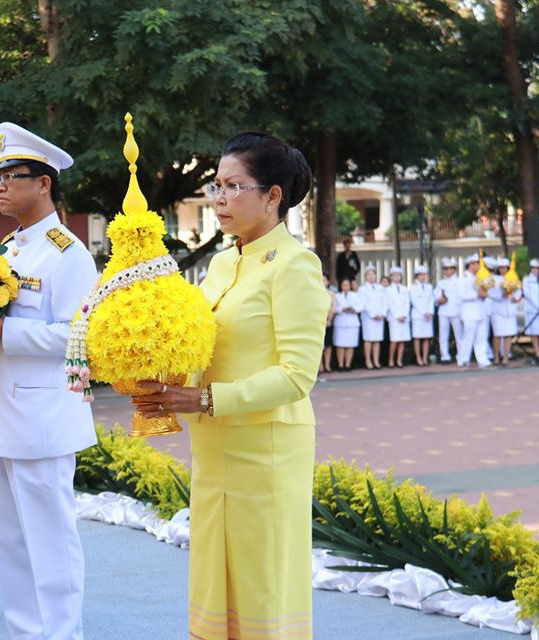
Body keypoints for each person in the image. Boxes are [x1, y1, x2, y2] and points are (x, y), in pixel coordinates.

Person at [134, 131, 328, 640]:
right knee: (213, 581)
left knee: (262, 583)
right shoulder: (222, 263)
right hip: (215, 448)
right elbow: (205, 344)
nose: (218, 199)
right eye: (216, 187)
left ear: (272, 196)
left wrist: (203, 399)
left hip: (265, 451)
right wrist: (162, 373)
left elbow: (296, 375)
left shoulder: (295, 266)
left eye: (234, 186)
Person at [0, 123, 97, 640]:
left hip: (43, 420)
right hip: (2, 416)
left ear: (44, 183)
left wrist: (3, 331)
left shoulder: (68, 253)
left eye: (11, 175)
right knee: (12, 545)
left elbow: (77, 337)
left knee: (51, 544)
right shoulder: (8, 249)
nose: (0, 185)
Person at [457, 254, 492, 369]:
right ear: (470, 265)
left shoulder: (480, 278)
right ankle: (463, 359)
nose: (478, 266)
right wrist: (476, 294)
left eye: (478, 263)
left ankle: (483, 360)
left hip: (480, 311)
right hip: (469, 312)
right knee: (468, 337)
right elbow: (461, 295)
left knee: (481, 337)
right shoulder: (463, 279)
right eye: (476, 264)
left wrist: (484, 295)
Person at [490, 257, 521, 365]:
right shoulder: (494, 279)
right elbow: (491, 293)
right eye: (501, 267)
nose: (503, 269)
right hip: (498, 310)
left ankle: (506, 357)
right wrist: (501, 295)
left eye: (505, 267)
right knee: (498, 335)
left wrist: (514, 298)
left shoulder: (513, 277)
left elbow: (518, 291)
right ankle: (496, 358)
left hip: (510, 310)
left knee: (508, 335)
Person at [358, 265, 386, 369]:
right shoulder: (362, 289)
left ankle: (376, 361)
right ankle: (368, 361)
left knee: (377, 340)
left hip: (379, 317)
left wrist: (382, 314)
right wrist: (373, 315)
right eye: (369, 274)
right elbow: (363, 304)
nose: (371, 276)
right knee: (368, 340)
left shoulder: (380, 288)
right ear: (365, 276)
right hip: (368, 318)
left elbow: (385, 302)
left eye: (373, 274)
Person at [435, 257, 462, 364]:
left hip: (456, 311)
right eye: (445, 269)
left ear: (454, 269)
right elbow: (436, 295)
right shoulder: (440, 282)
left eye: (450, 268)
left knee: (459, 335)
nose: (447, 271)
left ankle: (461, 355)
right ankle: (445, 356)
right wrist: (439, 300)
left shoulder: (460, 281)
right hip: (444, 311)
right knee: (443, 335)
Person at [333, 278, 362, 370]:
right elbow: (334, 307)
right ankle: (341, 365)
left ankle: (348, 364)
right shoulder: (337, 296)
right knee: (340, 345)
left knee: (350, 344)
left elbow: (361, 306)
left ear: (350, 286)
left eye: (347, 285)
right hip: (340, 322)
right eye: (344, 285)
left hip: (352, 322)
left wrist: (354, 309)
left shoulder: (355, 295)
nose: (345, 287)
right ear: (341, 286)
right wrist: (342, 309)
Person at [409, 264, 434, 367]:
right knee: (417, 338)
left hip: (428, 316)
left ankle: (425, 358)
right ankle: (418, 358)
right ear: (416, 276)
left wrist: (430, 312)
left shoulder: (429, 286)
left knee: (426, 338)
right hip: (418, 315)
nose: (423, 277)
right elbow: (415, 302)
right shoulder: (413, 288)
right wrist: (424, 312)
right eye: (420, 275)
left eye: (424, 274)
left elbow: (431, 300)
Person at [386, 266, 411, 368]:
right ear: (391, 277)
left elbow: (407, 303)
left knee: (402, 340)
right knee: (394, 340)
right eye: (394, 275)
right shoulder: (387, 290)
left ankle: (399, 360)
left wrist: (404, 314)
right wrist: (397, 316)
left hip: (404, 318)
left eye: (398, 275)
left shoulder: (404, 289)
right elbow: (389, 304)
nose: (397, 277)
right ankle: (391, 360)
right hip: (394, 318)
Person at [321, 273, 337, 373]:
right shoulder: (314, 292)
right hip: (318, 323)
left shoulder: (331, 293)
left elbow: (333, 307)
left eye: (324, 280)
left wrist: (329, 320)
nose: (322, 282)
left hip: (329, 322)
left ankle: (327, 365)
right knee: (319, 345)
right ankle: (320, 366)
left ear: (328, 282)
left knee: (328, 345)